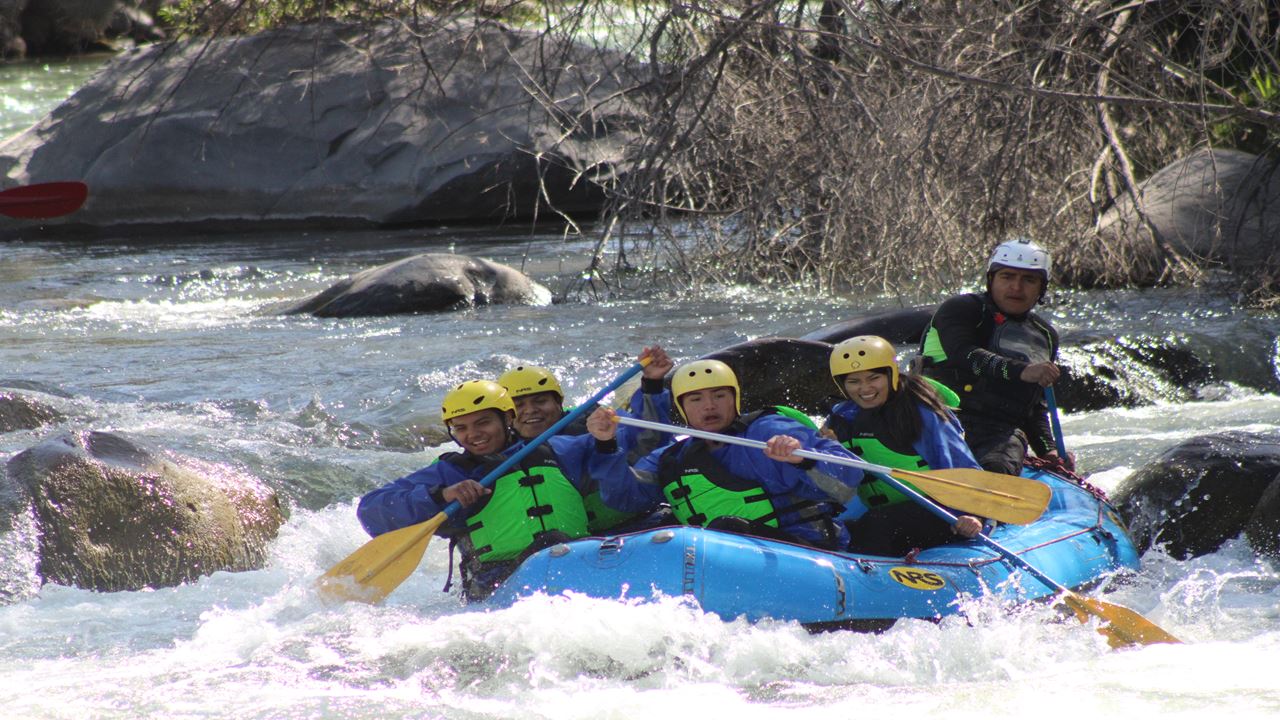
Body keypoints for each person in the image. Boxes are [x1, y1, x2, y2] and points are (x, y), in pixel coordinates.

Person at [356, 378, 598, 602]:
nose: (472, 435)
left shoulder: (556, 451)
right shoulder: (451, 472)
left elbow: (621, 452)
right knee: (550, 544)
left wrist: (609, 434)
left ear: (507, 419)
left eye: (483, 422)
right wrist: (440, 495)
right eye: (461, 428)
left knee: (553, 542)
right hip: (495, 580)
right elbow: (371, 508)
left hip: (570, 558)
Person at [585, 359, 867, 550]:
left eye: (719, 395)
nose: (709, 406)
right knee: (662, 523)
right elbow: (623, 497)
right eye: (696, 399)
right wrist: (606, 444)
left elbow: (849, 478)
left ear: (735, 399)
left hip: (804, 548)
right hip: (721, 559)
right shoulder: (673, 457)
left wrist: (804, 458)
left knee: (727, 527)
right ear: (682, 408)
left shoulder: (767, 430)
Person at [917, 237, 1066, 475]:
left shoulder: (1045, 335)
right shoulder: (962, 308)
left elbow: (1034, 405)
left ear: (1041, 288)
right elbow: (964, 354)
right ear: (991, 279)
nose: (1016, 288)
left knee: (998, 466)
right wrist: (1022, 370)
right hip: (939, 418)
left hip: (998, 433)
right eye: (1007, 277)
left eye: (1028, 280)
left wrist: (1049, 449)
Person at [822, 335, 983, 554]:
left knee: (877, 525)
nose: (865, 388)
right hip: (890, 510)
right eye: (854, 381)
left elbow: (961, 466)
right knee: (828, 530)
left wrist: (968, 513)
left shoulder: (920, 413)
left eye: (873, 378)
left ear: (891, 374)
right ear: (841, 384)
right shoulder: (841, 417)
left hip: (941, 509)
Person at [498, 347, 676, 533]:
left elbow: (651, 437)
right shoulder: (499, 451)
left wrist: (652, 384)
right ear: (507, 415)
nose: (530, 410)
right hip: (569, 545)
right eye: (519, 405)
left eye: (541, 401)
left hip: (640, 523)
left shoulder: (596, 423)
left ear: (559, 403)